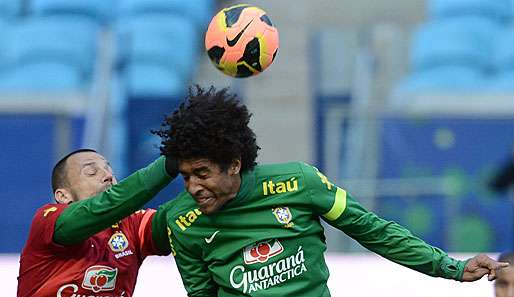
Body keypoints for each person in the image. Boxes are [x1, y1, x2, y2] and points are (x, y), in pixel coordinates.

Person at [152, 85, 508, 296]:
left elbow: (373, 231)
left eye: (201, 173)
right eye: (184, 176)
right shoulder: (182, 220)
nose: (193, 187)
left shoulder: (300, 183)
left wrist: (450, 267)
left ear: (233, 163)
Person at [17, 149, 178, 297]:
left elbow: (179, 217)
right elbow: (109, 202)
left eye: (110, 170)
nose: (108, 175)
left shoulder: (132, 224)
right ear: (63, 196)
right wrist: (170, 162)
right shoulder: (47, 220)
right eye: (91, 172)